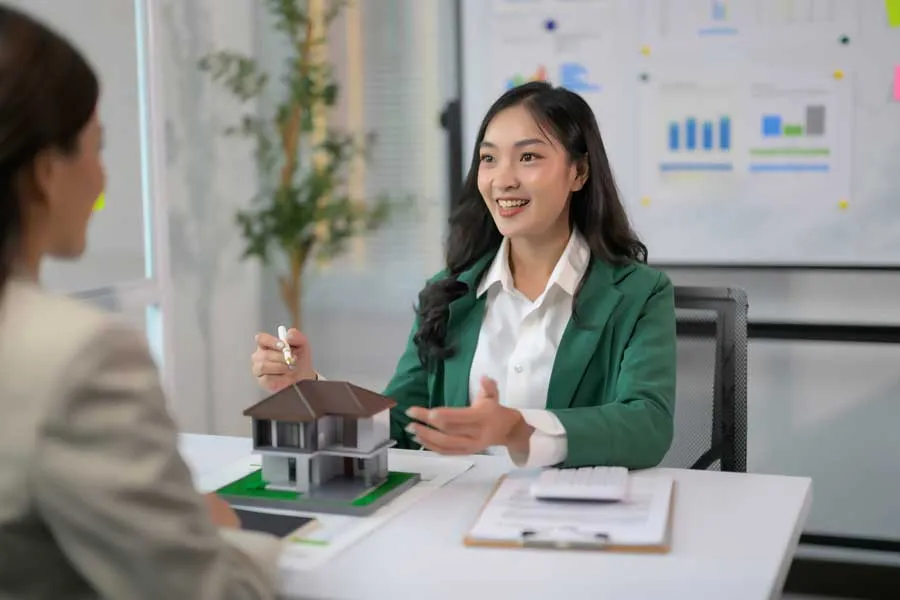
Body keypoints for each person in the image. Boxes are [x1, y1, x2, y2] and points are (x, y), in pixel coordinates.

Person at [0, 6, 281, 599]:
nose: (102, 180)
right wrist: (224, 532)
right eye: (96, 149)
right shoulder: (76, 355)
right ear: (47, 171)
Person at [252, 81, 676, 470]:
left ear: (578, 172)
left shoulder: (639, 294)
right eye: (489, 159)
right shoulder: (449, 293)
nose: (502, 180)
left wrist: (516, 428)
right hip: (454, 517)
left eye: (528, 157)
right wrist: (308, 385)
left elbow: (647, 426)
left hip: (568, 523)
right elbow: (401, 424)